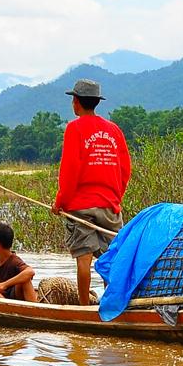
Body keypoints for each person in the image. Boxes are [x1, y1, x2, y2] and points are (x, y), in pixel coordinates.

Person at [52, 78, 131, 305]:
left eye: (73, 100)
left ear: (76, 102)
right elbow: (125, 168)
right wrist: (115, 198)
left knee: (83, 259)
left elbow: (70, 170)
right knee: (112, 259)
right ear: (96, 102)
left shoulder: (74, 128)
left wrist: (60, 202)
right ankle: (111, 304)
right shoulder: (114, 130)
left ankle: (84, 309)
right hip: (109, 204)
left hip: (80, 205)